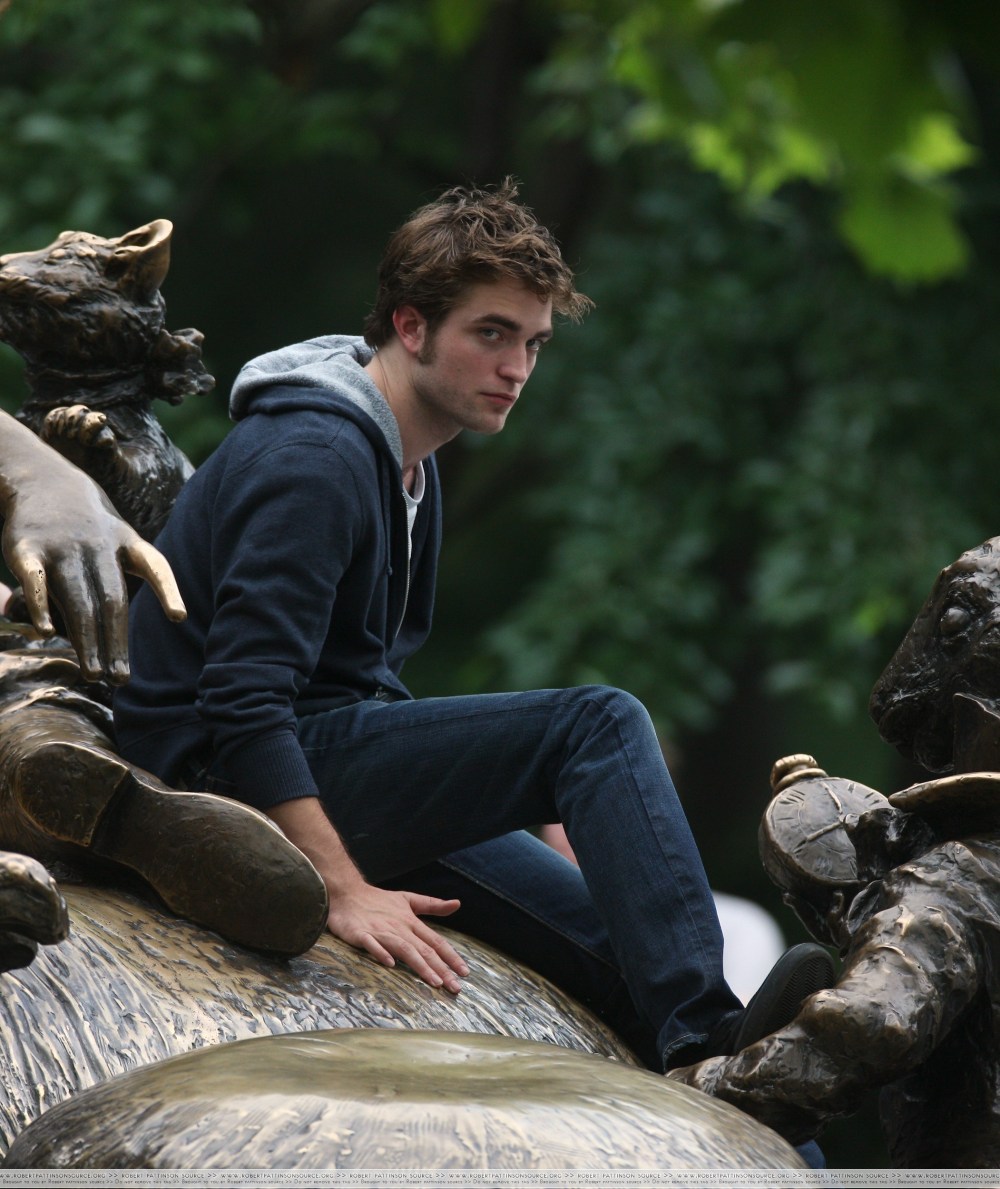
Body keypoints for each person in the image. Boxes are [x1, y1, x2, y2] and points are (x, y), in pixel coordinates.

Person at [114, 180, 833, 1075]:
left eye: (533, 342)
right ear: (410, 326)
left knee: (612, 950)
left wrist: (452, 784)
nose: (517, 367)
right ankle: (711, 1029)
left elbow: (357, 683)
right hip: (219, 777)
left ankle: (743, 1082)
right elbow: (241, 703)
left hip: (322, 758)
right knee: (598, 723)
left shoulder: (409, 462)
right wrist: (341, 888)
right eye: (491, 334)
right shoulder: (317, 457)